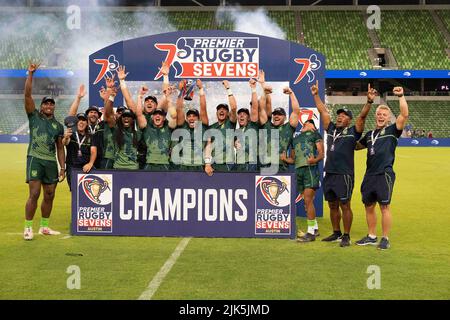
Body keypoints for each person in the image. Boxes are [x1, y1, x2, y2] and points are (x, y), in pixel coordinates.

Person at [311, 81, 375, 247]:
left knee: (345, 205)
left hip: (345, 174)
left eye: (344, 115)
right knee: (332, 205)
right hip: (330, 172)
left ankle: (346, 235)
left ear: (348, 120)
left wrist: (368, 101)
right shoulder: (331, 129)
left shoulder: (353, 132)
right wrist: (316, 95)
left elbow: (362, 117)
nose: (340, 116)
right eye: (339, 114)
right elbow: (323, 111)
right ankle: (336, 232)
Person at [355, 87, 409, 250]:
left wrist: (401, 96)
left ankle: (385, 238)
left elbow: (404, 115)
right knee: (368, 206)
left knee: (384, 206)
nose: (381, 116)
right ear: (375, 116)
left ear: (388, 118)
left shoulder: (393, 130)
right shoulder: (370, 134)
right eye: (379, 114)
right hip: (369, 174)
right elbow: (357, 146)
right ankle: (371, 236)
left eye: (384, 115)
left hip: (384, 173)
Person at [23, 61, 65, 240]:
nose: (48, 106)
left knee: (50, 194)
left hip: (50, 162)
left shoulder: (58, 126)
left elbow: (60, 147)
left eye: (51, 104)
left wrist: (62, 167)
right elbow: (27, 95)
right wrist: (31, 74)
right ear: (41, 107)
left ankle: (45, 227)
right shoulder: (34, 117)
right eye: (46, 104)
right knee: (34, 193)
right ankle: (28, 228)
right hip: (35, 158)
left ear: (54, 107)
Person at [291, 119, 324, 242]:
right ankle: (314, 229)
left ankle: (310, 233)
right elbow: (293, 159)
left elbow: (321, 154)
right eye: (304, 122)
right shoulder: (295, 139)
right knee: (306, 201)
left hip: (310, 170)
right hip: (298, 171)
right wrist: (284, 158)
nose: (305, 123)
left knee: (309, 200)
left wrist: (314, 160)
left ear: (313, 127)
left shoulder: (315, 135)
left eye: (309, 122)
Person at [258, 70, 295, 173]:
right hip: (264, 168)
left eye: (279, 114)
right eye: (274, 115)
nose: (276, 116)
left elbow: (296, 111)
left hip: (281, 169)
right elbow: (261, 108)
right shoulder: (267, 126)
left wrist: (291, 93)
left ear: (284, 117)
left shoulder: (288, 128)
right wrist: (263, 87)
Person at [173, 79, 209, 171]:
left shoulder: (202, 126)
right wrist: (181, 91)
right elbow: (179, 109)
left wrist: (201, 89)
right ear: (186, 118)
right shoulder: (183, 125)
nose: (191, 118)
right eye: (189, 116)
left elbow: (203, 108)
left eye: (194, 116)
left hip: (199, 166)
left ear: (199, 118)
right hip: (184, 166)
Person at [204, 80, 237, 175]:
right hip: (214, 164)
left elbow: (234, 108)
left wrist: (228, 88)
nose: (221, 111)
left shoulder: (230, 124)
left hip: (228, 165)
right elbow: (208, 147)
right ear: (216, 113)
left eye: (224, 109)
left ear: (228, 114)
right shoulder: (211, 128)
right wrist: (207, 163)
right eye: (219, 109)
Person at [62, 113, 98, 189]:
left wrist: (90, 163)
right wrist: (65, 137)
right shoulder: (71, 134)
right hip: (72, 168)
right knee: (75, 193)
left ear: (87, 123)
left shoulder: (91, 136)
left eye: (84, 120)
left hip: (86, 168)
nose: (81, 122)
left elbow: (93, 151)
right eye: (79, 120)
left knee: (87, 191)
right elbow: (65, 142)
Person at [234, 78, 259, 172]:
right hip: (239, 164)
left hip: (251, 164)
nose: (241, 115)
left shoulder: (253, 126)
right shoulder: (236, 131)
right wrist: (235, 144)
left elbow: (255, 109)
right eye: (239, 114)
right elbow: (234, 144)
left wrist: (253, 89)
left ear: (249, 118)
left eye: (244, 114)